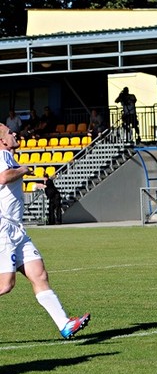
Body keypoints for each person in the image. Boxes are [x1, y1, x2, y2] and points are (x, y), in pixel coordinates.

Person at [0, 124, 90, 339]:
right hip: (4, 228)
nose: (15, 134)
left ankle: (65, 324)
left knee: (39, 274)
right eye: (10, 133)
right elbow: (3, 178)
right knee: (5, 285)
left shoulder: (9, 157)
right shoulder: (3, 155)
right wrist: (24, 169)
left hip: (16, 229)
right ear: (2, 141)